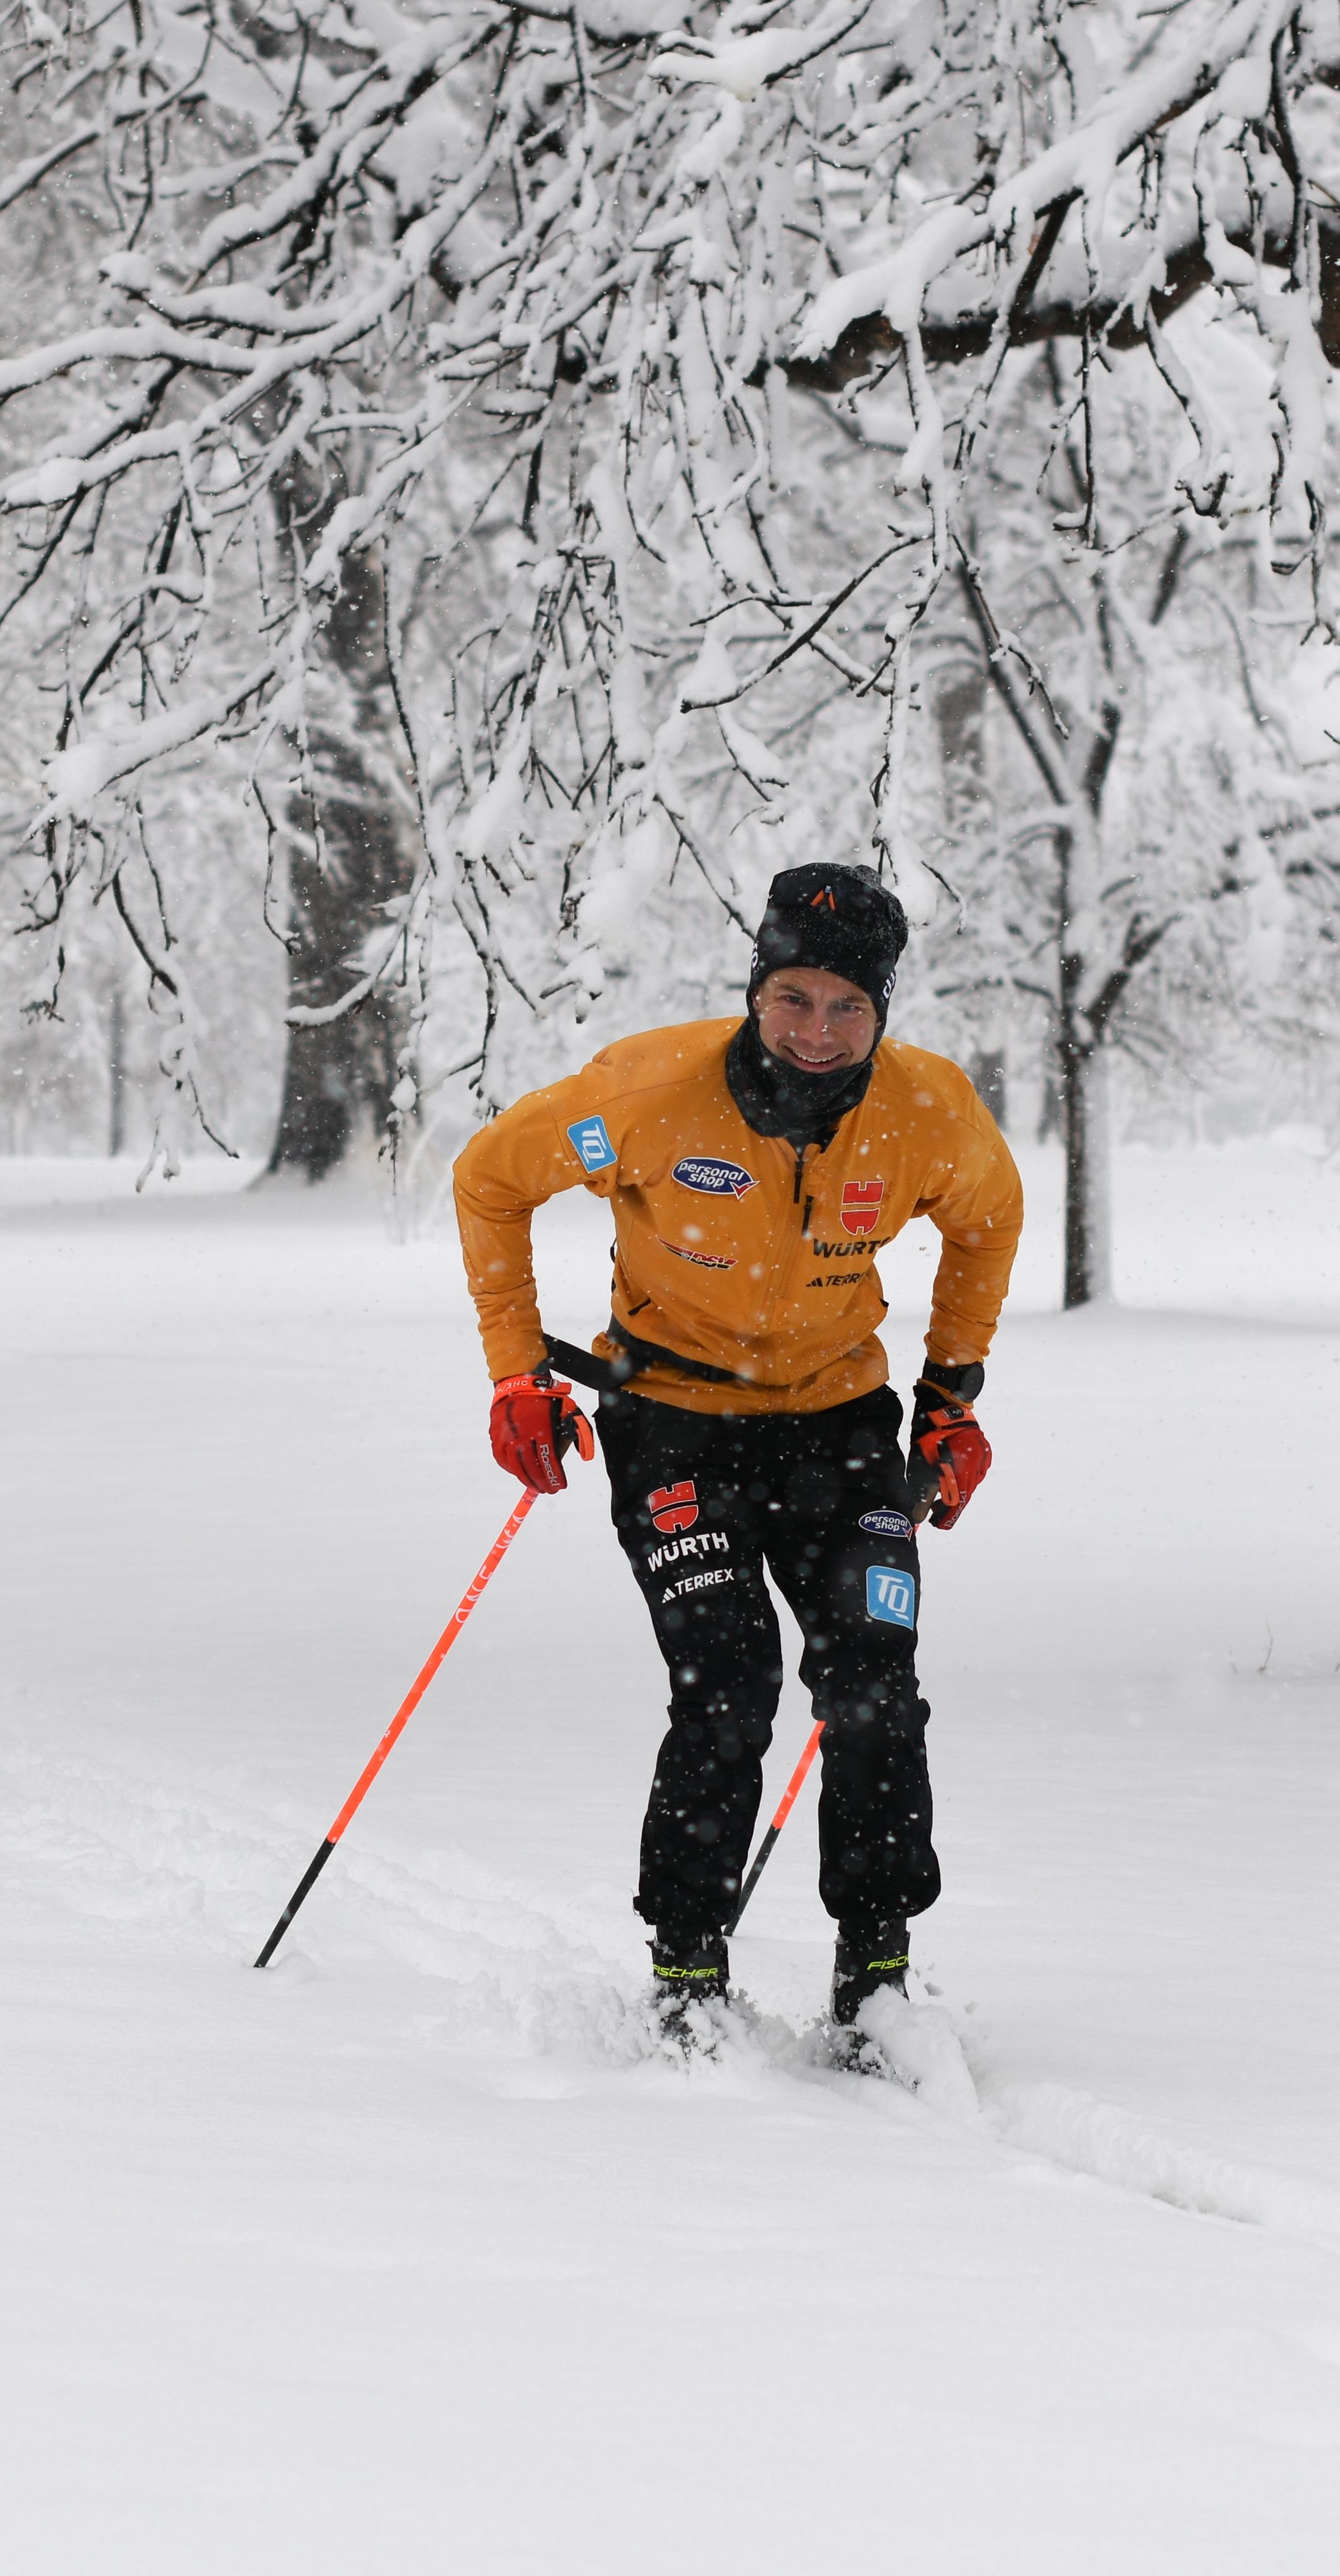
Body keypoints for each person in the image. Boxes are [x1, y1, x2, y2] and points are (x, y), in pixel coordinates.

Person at [449, 863, 1023, 2049]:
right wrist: (517, 1371)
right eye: (794, 998)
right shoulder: (646, 1096)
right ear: (757, 988)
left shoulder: (928, 1114)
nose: (817, 1032)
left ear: (883, 1012)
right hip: (672, 1421)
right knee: (729, 1684)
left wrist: (948, 1403)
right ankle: (686, 1975)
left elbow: (989, 1222)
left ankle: (875, 1976)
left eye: (848, 1007)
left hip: (838, 1426)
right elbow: (489, 1179)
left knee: (874, 1685)